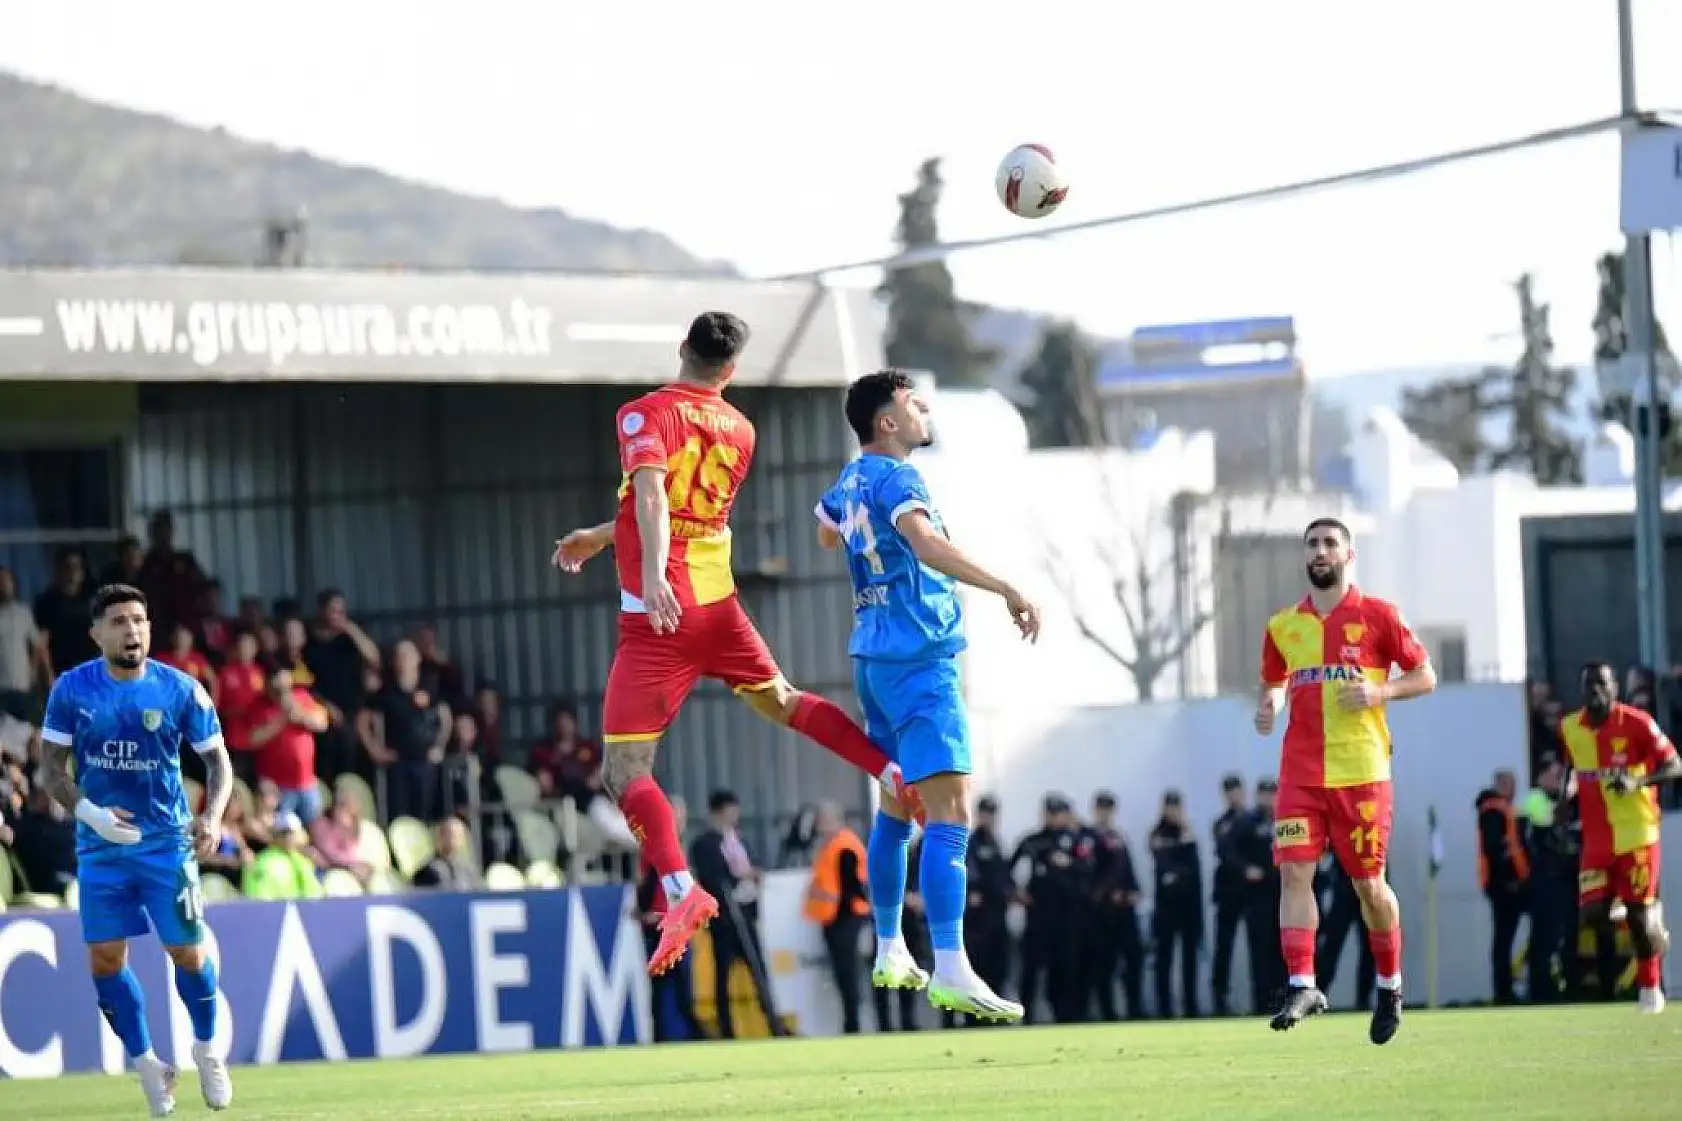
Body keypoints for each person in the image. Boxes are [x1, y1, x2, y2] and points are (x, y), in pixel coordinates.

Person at [548, 313, 924, 976]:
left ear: (683, 350)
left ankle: (679, 888)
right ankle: (888, 770)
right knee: (782, 698)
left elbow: (656, 498)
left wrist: (656, 571)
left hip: (659, 616)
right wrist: (602, 534)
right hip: (719, 607)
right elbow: (683, 509)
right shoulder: (741, 429)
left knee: (626, 771)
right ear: (730, 370)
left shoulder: (642, 414)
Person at [815, 368, 1039, 1022]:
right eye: (912, 403)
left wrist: (864, 543)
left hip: (872, 660)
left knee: (893, 806)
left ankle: (889, 945)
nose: (922, 410)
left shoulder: (851, 479)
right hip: (919, 661)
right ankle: (953, 966)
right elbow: (926, 542)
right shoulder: (899, 477)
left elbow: (826, 530)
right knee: (950, 815)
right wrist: (1004, 587)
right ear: (887, 421)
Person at [36, 583, 235, 1115]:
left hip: (166, 845)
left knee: (187, 954)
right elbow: (51, 771)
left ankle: (208, 1048)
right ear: (96, 633)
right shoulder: (71, 690)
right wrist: (93, 815)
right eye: (120, 622)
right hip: (100, 849)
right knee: (104, 961)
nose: (132, 631)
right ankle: (148, 1064)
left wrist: (211, 815)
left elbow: (217, 761)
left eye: (140, 621)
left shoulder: (179, 690)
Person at [1254, 517, 1435, 1045]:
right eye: (1311, 543)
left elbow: (1425, 676)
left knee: (1368, 888)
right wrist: (1269, 704)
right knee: (1293, 875)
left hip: (1362, 774)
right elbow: (1274, 684)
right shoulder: (1283, 625)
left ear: (1348, 555)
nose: (1320, 551)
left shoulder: (1379, 615)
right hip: (1300, 776)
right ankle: (1303, 982)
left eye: (1330, 543)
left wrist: (1381, 694)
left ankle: (1390, 985)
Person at [1559, 661, 1681, 1014]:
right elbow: (1572, 767)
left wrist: (1637, 782)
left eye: (1602, 684)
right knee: (1592, 915)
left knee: (1640, 921)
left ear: (1615, 688)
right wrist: (1564, 800)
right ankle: (1634, 912)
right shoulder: (1570, 727)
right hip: (1597, 840)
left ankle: (1650, 987)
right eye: (1589, 684)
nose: (1595, 690)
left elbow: (1675, 765)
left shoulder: (1638, 724)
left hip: (1637, 833)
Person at [805, 800, 870, 1034]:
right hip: (837, 918)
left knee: (847, 973)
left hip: (845, 919)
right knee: (844, 974)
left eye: (822, 819)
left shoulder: (843, 845)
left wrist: (825, 897)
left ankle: (852, 1022)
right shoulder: (831, 844)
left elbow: (851, 886)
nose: (818, 825)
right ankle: (850, 1020)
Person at [1475, 768, 1530, 1004]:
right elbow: (1495, 850)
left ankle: (1507, 988)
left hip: (1512, 884)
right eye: (1509, 784)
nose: (1513, 789)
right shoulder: (1492, 811)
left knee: (1505, 938)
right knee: (1503, 939)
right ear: (1499, 785)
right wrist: (1509, 880)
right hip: (1503, 887)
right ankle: (1503, 991)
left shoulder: (1503, 810)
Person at [1148, 789, 1203, 1018]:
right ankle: (1165, 1009)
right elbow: (1166, 865)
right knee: (1164, 960)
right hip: (1166, 908)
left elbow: (1193, 871)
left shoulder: (1187, 832)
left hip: (1188, 907)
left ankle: (1191, 1007)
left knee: (1189, 960)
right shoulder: (1158, 833)